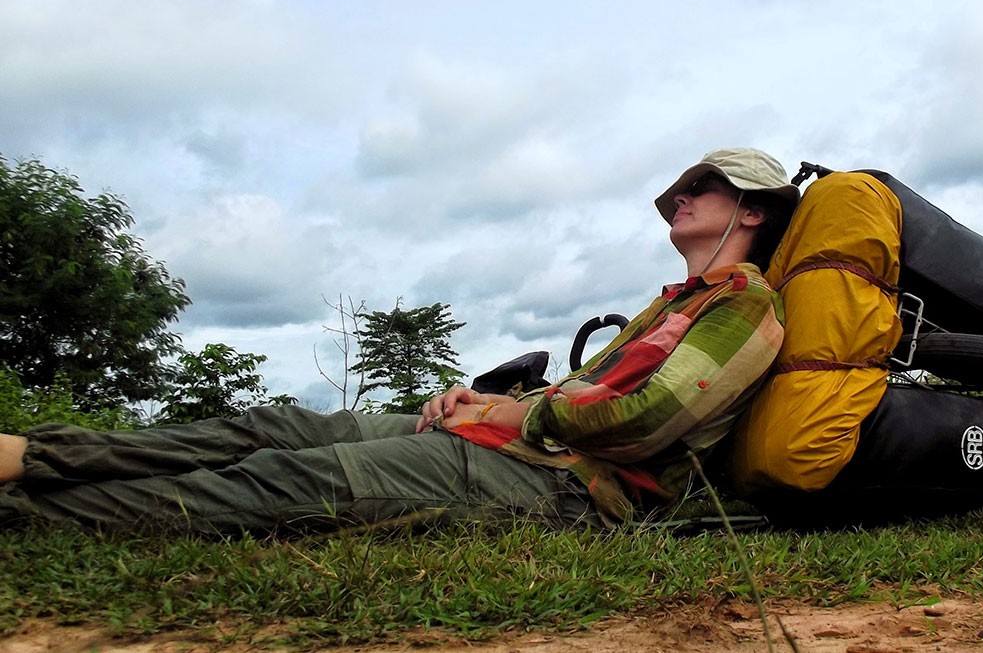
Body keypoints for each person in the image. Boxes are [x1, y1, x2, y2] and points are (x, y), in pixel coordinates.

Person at [0, 147, 798, 535]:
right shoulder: (667, 305)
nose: (681, 198)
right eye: (681, 190)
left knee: (277, 478)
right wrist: (489, 400)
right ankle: (32, 456)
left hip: (560, 483)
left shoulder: (745, 306)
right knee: (279, 425)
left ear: (753, 210)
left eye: (703, 187)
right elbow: (582, 397)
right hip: (515, 442)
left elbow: (648, 418)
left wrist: (510, 418)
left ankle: (25, 511)